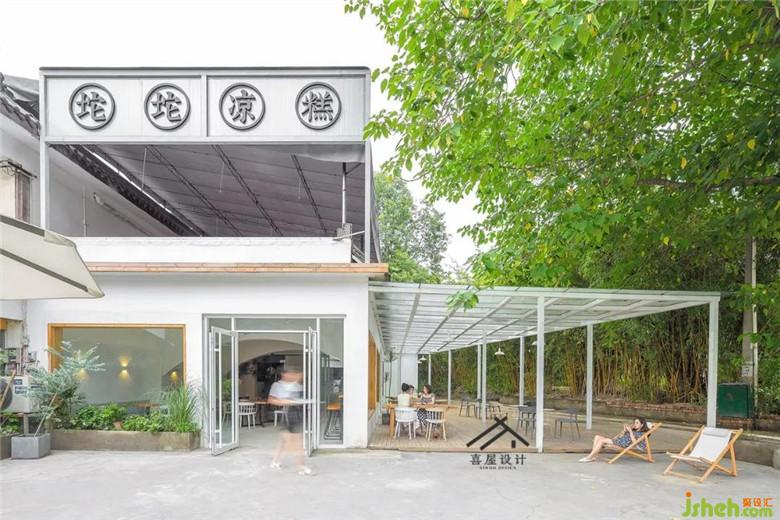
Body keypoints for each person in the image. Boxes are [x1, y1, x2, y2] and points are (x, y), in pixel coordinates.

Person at [268, 367, 312, 475]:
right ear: (284, 375)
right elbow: (271, 400)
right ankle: (301, 467)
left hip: (296, 415)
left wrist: (301, 401)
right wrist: (286, 402)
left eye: (295, 374)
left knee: (284, 441)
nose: (294, 376)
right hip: (287, 415)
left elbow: (300, 398)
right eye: (291, 374)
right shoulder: (277, 385)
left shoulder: (297, 386)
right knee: (296, 443)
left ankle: (275, 461)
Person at [579, 417, 650, 462]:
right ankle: (594, 456)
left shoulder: (642, 434)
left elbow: (635, 442)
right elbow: (621, 436)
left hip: (622, 444)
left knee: (601, 440)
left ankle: (589, 457)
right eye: (635, 422)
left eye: (637, 423)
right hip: (618, 441)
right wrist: (624, 430)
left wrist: (630, 431)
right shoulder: (633, 430)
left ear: (642, 425)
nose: (635, 424)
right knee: (597, 437)